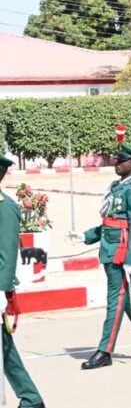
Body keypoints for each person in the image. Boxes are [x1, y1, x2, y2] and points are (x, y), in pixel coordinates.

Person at [72, 144, 131, 370]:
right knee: (127, 300)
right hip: (110, 249)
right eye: (116, 160)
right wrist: (85, 235)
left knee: (116, 301)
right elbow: (110, 223)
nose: (116, 164)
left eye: (121, 161)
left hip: (121, 253)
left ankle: (105, 350)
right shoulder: (116, 187)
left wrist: (130, 260)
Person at [0, 155, 46, 408]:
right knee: (5, 348)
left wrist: (1, 289)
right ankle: (31, 399)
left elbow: (7, 253)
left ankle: (31, 399)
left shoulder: (5, 207)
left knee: (4, 347)